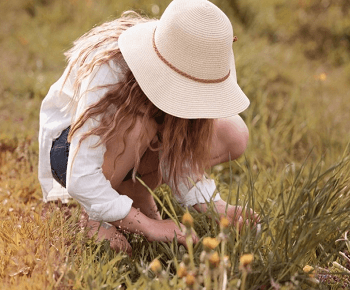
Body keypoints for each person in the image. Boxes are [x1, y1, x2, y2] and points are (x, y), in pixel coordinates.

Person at [38, 0, 255, 255]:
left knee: (234, 133)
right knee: (138, 124)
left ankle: (133, 191)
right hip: (72, 151)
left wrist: (216, 206)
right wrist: (151, 226)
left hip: (127, 149)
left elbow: (181, 146)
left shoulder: (192, 55)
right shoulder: (111, 69)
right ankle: (96, 217)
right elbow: (80, 175)